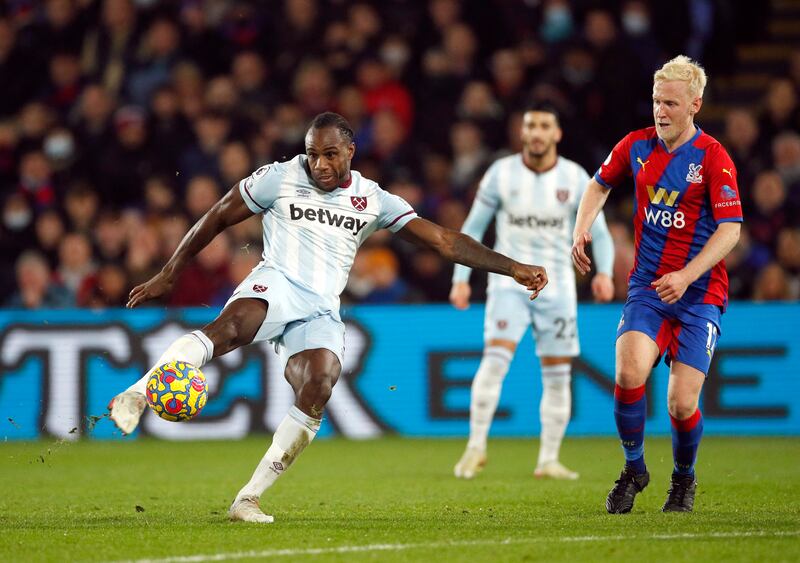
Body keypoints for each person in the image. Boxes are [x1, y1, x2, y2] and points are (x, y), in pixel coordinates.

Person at [109, 112, 548, 523]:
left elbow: (445, 241)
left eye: (329, 154)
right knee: (226, 330)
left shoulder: (372, 199)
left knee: (318, 385)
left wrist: (511, 267)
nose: (318, 163)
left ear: (350, 151)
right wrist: (169, 272)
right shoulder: (278, 177)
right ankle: (139, 392)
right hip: (277, 284)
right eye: (312, 153)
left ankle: (248, 497)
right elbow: (218, 215)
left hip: (320, 307)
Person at [571, 56, 742, 513]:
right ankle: (634, 468)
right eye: (655, 101)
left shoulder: (713, 158)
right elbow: (598, 185)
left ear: (695, 105)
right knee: (628, 373)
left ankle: (683, 479)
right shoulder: (636, 145)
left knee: (682, 404)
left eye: (670, 102)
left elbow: (731, 230)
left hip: (698, 294)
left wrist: (687, 276)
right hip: (648, 286)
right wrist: (581, 228)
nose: (660, 111)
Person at [451, 102, 614, 481]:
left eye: (544, 126)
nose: (537, 133)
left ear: (557, 134)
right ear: (522, 133)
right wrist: (460, 280)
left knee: (558, 374)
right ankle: (475, 449)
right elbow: (472, 229)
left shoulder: (575, 179)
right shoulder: (500, 174)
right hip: (509, 285)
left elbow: (600, 232)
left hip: (558, 289)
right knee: (494, 362)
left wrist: (604, 272)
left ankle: (549, 459)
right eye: (531, 126)